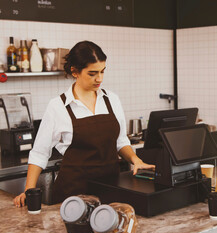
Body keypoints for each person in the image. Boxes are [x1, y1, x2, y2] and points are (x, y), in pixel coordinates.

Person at [13, 41, 155, 207]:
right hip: (73, 196)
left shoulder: (112, 100)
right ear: (75, 71)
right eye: (92, 73)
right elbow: (39, 153)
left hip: (111, 190)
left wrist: (135, 159)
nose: (99, 78)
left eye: (102, 71)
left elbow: (120, 141)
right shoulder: (57, 106)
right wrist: (29, 191)